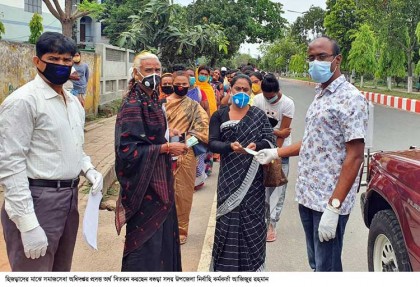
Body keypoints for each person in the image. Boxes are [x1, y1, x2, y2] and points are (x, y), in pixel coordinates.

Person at [255, 36, 368, 271]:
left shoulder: (351, 98)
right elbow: (312, 142)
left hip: (328, 200)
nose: (315, 62)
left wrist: (334, 206)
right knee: (316, 263)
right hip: (307, 195)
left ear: (337, 60)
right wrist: (276, 152)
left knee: (327, 267)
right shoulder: (320, 94)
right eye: (311, 58)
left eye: (321, 57)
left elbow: (355, 155)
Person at [0, 32, 103, 271]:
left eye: (67, 60)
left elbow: (72, 146)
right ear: (38, 62)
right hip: (38, 199)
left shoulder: (72, 103)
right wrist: (27, 223)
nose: (61, 65)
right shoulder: (24, 101)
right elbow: (10, 163)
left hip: (69, 198)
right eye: (54, 59)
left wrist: (88, 169)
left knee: (60, 271)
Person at [114, 52, 187, 271]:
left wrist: (168, 133)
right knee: (146, 243)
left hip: (161, 180)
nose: (154, 75)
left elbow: (150, 135)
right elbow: (127, 150)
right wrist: (166, 147)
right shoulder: (133, 104)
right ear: (136, 73)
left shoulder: (152, 99)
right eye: (148, 70)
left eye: (157, 70)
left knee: (163, 238)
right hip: (145, 188)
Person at [209, 74, 275, 271]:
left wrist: (259, 144)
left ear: (251, 92)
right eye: (238, 89)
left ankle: (252, 268)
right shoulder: (219, 115)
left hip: (253, 180)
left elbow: (270, 139)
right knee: (227, 220)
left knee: (252, 220)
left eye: (246, 90)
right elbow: (212, 143)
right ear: (231, 89)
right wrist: (230, 146)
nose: (242, 93)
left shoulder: (258, 115)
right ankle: (224, 268)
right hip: (229, 179)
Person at [165, 71, 209, 244]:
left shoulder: (193, 106)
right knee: (162, 191)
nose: (181, 86)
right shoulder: (162, 103)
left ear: (189, 85)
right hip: (164, 150)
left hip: (186, 152)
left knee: (183, 193)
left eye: (185, 84)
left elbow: (203, 129)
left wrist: (185, 142)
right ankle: (162, 228)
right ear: (172, 84)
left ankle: (181, 230)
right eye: (178, 83)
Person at [253, 74, 295, 242]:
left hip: (281, 151)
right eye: (266, 96)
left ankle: (272, 224)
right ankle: (261, 221)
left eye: (272, 97)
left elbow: (284, 134)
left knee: (278, 189)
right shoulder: (257, 100)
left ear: (279, 91)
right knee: (260, 189)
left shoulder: (287, 103)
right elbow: (256, 128)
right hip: (261, 149)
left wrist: (275, 154)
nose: (268, 99)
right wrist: (277, 131)